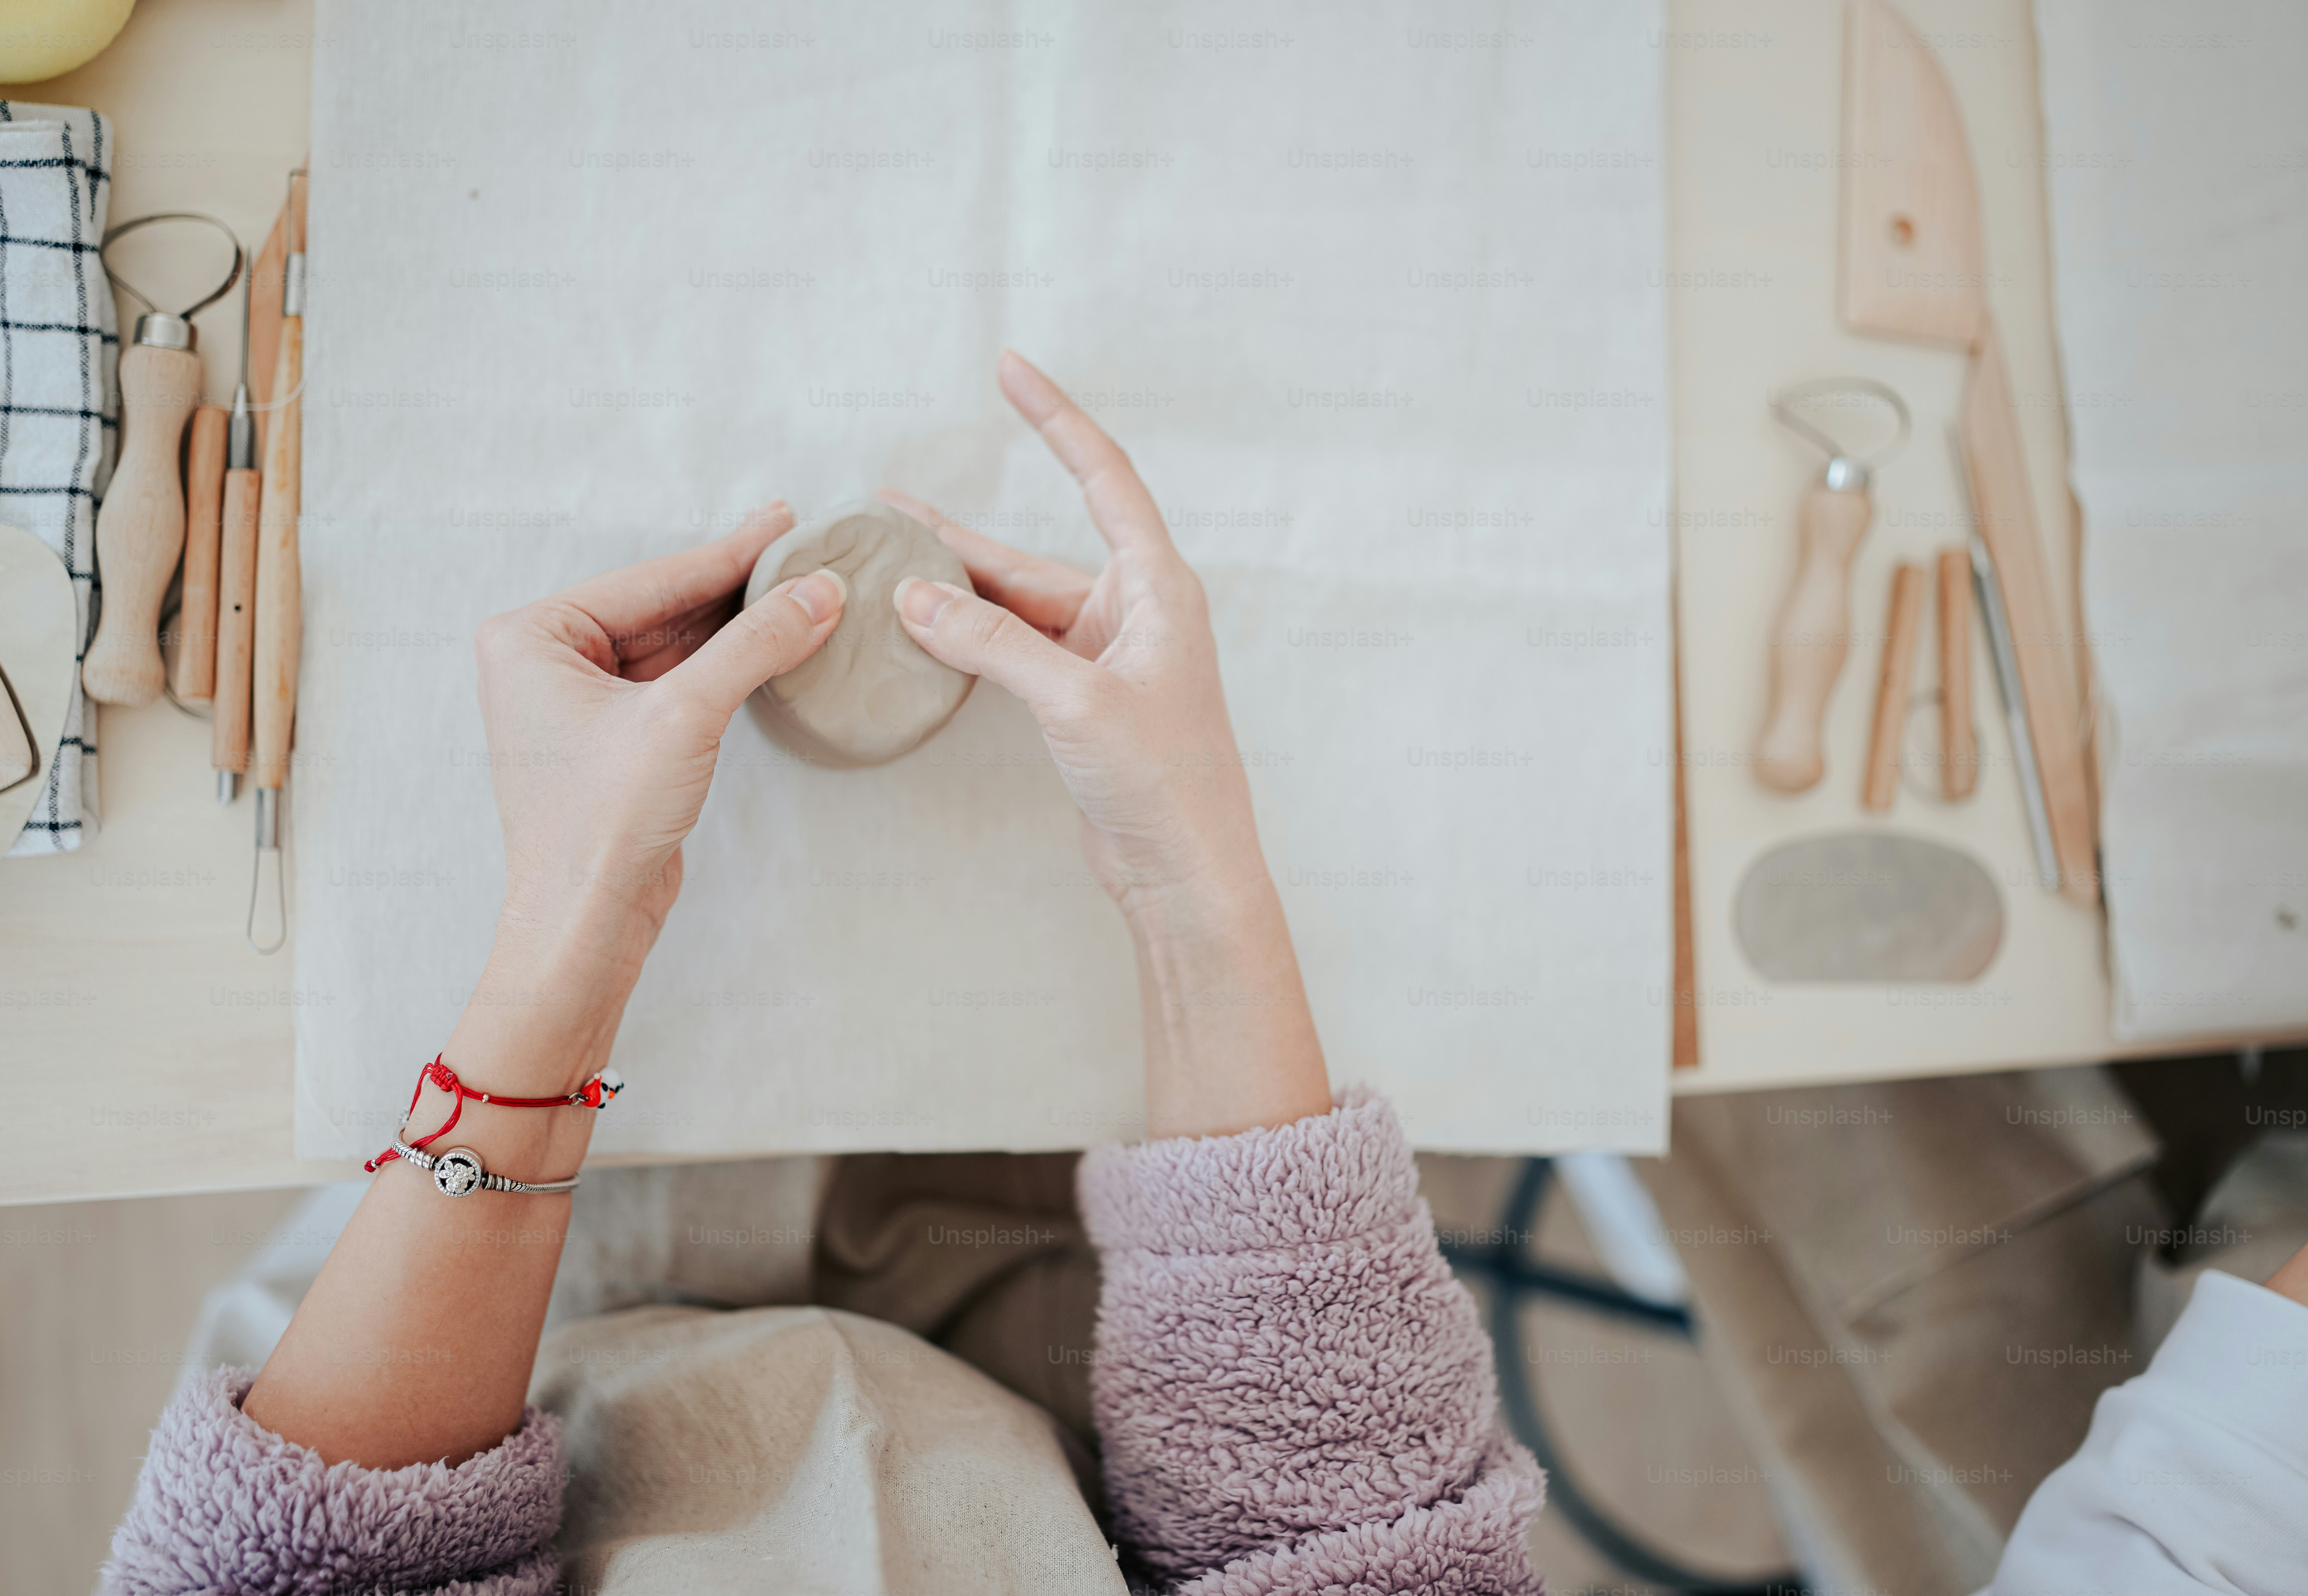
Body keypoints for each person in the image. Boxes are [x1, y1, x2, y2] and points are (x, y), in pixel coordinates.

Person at [101, 353, 1550, 1594]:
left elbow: (302, 1560)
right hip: (1074, 1377)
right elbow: (1346, 1534)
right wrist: (1190, 878)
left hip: (520, 1350)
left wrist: (568, 938)